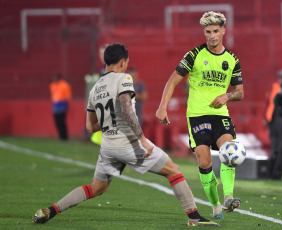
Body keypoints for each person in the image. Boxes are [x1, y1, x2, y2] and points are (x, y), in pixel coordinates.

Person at [33, 43, 217, 227]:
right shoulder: (124, 78)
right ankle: (194, 217)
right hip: (129, 143)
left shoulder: (95, 88)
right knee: (174, 170)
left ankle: (52, 209)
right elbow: (126, 108)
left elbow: (90, 127)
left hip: (108, 147)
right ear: (122, 62)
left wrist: (109, 124)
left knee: (96, 188)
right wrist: (142, 140)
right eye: (126, 62)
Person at [156, 11, 244, 219]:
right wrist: (162, 107)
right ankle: (215, 206)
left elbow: (240, 92)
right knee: (204, 163)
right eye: (208, 31)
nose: (212, 35)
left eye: (215, 31)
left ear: (223, 30)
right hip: (197, 116)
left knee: (229, 150)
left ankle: (228, 197)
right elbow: (173, 80)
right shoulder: (194, 55)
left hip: (220, 114)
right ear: (204, 32)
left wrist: (228, 96)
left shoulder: (232, 60)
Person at [49, 73, 72, 140]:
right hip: (55, 104)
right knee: (57, 121)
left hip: (62, 103)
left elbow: (68, 96)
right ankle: (60, 135)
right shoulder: (52, 85)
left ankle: (64, 136)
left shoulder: (65, 85)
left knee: (62, 121)